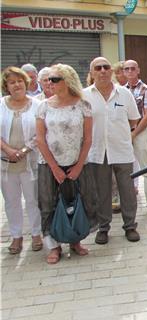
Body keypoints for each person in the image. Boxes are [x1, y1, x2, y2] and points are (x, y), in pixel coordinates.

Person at [35, 63, 98, 264]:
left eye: (54, 79)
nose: (49, 83)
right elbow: (40, 139)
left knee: (78, 202)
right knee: (49, 204)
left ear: (67, 81)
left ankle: (75, 241)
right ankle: (53, 246)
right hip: (49, 165)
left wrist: (79, 165)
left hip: (76, 164)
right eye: (48, 80)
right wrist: (54, 168)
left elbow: (88, 139)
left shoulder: (83, 104)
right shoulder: (43, 106)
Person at [83, 57, 141, 244]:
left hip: (122, 150)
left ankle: (130, 226)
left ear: (112, 71)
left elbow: (134, 120)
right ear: (91, 73)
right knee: (102, 192)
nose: (102, 71)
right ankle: (103, 227)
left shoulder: (124, 94)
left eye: (106, 67)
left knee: (127, 191)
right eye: (97, 68)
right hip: (97, 152)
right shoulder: (84, 96)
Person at [0, 66, 43, 255]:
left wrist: (25, 149)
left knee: (33, 199)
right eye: (12, 82)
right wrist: (8, 149)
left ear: (26, 82)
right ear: (6, 86)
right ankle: (16, 237)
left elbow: (41, 132)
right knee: (11, 201)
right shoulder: (1, 104)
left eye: (19, 81)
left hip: (29, 161)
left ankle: (36, 234)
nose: (16, 85)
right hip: (6, 162)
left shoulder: (37, 104)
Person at [123, 59, 147, 216]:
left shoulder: (146, 90)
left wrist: (134, 132)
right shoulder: (121, 91)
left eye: (133, 68)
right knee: (124, 170)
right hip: (123, 134)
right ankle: (126, 202)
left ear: (138, 70)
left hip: (140, 133)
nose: (130, 71)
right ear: (124, 72)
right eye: (127, 69)